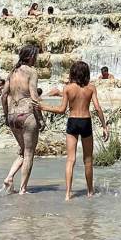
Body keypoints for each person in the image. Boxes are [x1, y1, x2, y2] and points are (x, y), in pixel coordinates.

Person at [39, 60, 109, 200]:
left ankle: (67, 194)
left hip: (73, 121)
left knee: (70, 159)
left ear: (73, 73)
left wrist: (43, 107)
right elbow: (97, 108)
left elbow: (61, 110)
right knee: (88, 160)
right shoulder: (91, 88)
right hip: (85, 122)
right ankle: (90, 192)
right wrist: (104, 126)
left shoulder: (68, 88)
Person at [1, 44, 43, 194]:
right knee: (29, 153)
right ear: (31, 57)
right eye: (36, 56)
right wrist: (41, 118)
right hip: (27, 114)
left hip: (13, 115)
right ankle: (23, 189)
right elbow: (33, 96)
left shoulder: (12, 72)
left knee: (22, 151)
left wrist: (6, 115)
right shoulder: (31, 72)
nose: (36, 59)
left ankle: (9, 177)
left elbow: (4, 95)